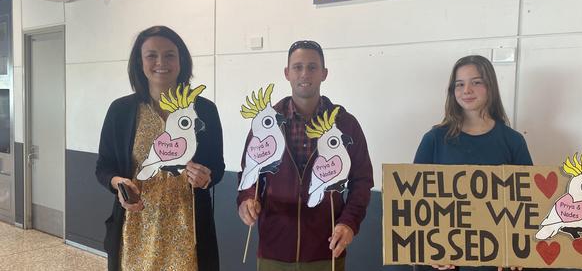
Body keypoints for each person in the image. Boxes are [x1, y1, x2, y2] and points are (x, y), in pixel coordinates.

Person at [237, 40, 374, 271]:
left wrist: (349, 222)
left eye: (312, 67)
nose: (304, 73)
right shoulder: (266, 123)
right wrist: (246, 200)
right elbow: (249, 173)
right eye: (298, 67)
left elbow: (362, 181)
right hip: (274, 249)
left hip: (326, 248)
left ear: (324, 73)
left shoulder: (346, 125)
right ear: (287, 73)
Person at [96, 26, 224, 271]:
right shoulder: (121, 111)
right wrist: (118, 183)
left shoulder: (204, 110)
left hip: (187, 228)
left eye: (169, 55)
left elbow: (217, 167)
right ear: (140, 62)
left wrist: (206, 177)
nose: (160, 62)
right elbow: (103, 167)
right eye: (151, 55)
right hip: (136, 227)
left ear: (181, 60)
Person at [413, 55, 532, 271]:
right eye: (459, 84)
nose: (466, 90)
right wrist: (427, 251)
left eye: (476, 82)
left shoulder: (513, 141)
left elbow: (528, 205)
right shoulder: (434, 139)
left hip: (497, 262)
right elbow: (414, 202)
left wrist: (518, 252)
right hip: (446, 260)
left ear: (490, 87)